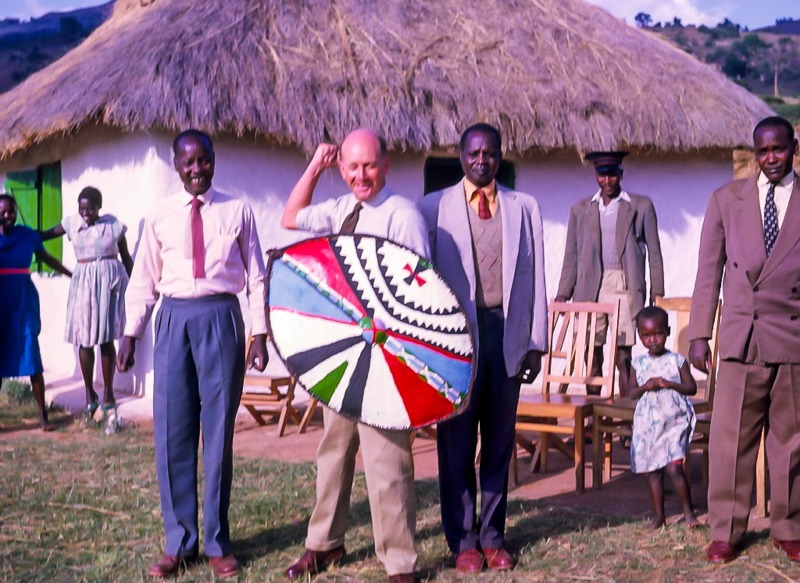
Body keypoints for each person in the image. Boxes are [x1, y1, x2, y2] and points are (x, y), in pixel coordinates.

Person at [117, 129, 268, 579]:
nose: (197, 169)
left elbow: (257, 275)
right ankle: (179, 542)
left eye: (204, 160)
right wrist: (130, 333)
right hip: (174, 321)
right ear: (176, 165)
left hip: (221, 318)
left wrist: (258, 333)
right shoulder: (159, 214)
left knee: (218, 433)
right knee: (172, 431)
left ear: (214, 161)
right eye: (188, 163)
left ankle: (218, 542)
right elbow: (143, 277)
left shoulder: (238, 210)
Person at [280, 128, 427, 583]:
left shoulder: (402, 215)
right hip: (344, 354)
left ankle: (399, 563)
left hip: (386, 356)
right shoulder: (342, 209)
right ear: (341, 168)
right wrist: (315, 167)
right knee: (334, 451)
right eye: (351, 167)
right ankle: (324, 545)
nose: (360, 175)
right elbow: (291, 217)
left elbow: (419, 290)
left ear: (386, 166)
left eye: (369, 165)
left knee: (387, 461)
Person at [419, 123, 547, 573]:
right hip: (455, 341)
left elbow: (536, 280)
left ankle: (494, 537)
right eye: (473, 153)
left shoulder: (523, 207)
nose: (481, 160)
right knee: (455, 443)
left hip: (505, 335)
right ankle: (463, 540)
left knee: (497, 443)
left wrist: (535, 344)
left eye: (489, 153)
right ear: (460, 155)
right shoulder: (433, 208)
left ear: (500, 156)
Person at [688, 116, 800, 564]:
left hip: (792, 335)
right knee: (730, 438)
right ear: (754, 153)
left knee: (791, 440)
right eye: (763, 150)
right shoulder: (725, 200)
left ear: (793, 147)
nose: (771, 158)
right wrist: (699, 333)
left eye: (779, 149)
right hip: (740, 335)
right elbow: (707, 271)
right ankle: (725, 530)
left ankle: (788, 526)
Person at [555, 151, 664, 397]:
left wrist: (657, 292)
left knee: (623, 354)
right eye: (602, 175)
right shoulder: (581, 210)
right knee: (591, 351)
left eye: (612, 175)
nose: (607, 181)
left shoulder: (639, 206)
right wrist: (563, 293)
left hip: (625, 286)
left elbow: (655, 252)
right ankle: (594, 417)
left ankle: (625, 421)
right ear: (596, 176)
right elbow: (571, 256)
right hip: (590, 287)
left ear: (620, 174)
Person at [41, 187, 133, 422]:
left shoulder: (113, 226)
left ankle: (109, 394)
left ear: (98, 207)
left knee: (106, 338)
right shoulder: (72, 223)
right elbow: (46, 234)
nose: (85, 213)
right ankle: (89, 392)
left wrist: (136, 286)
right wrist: (24, 234)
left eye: (90, 208)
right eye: (81, 208)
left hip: (109, 286)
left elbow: (126, 256)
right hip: (83, 284)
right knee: (85, 339)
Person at [0, 194, 72, 431]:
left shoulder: (28, 236)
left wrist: (72, 274)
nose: (8, 215)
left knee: (31, 351)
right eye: (3, 211)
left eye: (11, 211)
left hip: (22, 301)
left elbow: (47, 259)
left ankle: (43, 415)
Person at [629, 306, 698, 530]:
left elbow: (691, 388)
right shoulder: (637, 364)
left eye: (657, 334)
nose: (653, 340)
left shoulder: (677, 361)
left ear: (667, 332)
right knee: (654, 471)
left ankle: (689, 512)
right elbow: (630, 393)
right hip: (649, 425)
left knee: (674, 467)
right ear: (640, 336)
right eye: (646, 336)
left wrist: (671, 384)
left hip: (673, 421)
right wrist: (645, 386)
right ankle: (659, 516)